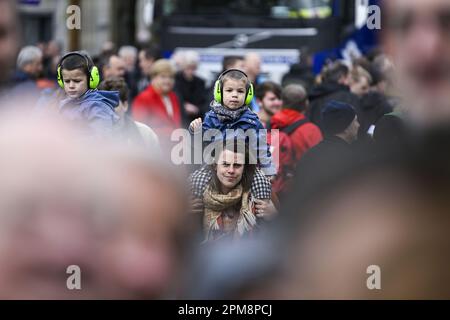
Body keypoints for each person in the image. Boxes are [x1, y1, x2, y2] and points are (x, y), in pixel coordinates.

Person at [190, 69, 276, 177]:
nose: (234, 95)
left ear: (248, 95)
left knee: (261, 186)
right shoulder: (210, 118)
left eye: (240, 91)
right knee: (195, 182)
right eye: (229, 90)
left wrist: (268, 172)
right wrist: (195, 131)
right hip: (214, 171)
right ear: (219, 93)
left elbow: (262, 148)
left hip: (244, 173)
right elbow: (201, 145)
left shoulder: (252, 121)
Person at [189, 141, 277, 242]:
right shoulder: (197, 195)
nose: (231, 170)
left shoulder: (260, 194)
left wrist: (275, 217)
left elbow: (282, 238)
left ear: (244, 168)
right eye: (225, 164)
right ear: (215, 166)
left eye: (237, 165)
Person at [269, 84, 322, 196]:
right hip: (301, 191)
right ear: (306, 103)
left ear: (282, 102)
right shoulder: (311, 130)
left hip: (275, 190)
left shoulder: (271, 125)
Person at [56, 51, 120, 138]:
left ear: (91, 80)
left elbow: (102, 141)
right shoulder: (65, 104)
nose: (71, 86)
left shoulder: (98, 107)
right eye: (67, 81)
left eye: (77, 81)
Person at [98, 77, 160, 150]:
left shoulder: (146, 134)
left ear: (125, 105)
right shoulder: (90, 135)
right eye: (104, 105)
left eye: (114, 105)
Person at [132, 59, 183, 143]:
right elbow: (139, 130)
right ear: (153, 78)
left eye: (171, 77)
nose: (167, 81)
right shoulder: (143, 98)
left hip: (175, 149)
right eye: (163, 77)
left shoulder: (174, 97)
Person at [174, 50, 207, 123]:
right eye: (188, 68)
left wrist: (197, 109)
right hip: (180, 117)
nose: (190, 71)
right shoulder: (175, 80)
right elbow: (175, 97)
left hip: (196, 118)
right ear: (183, 67)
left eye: (193, 68)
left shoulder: (200, 82)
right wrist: (184, 106)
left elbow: (204, 101)